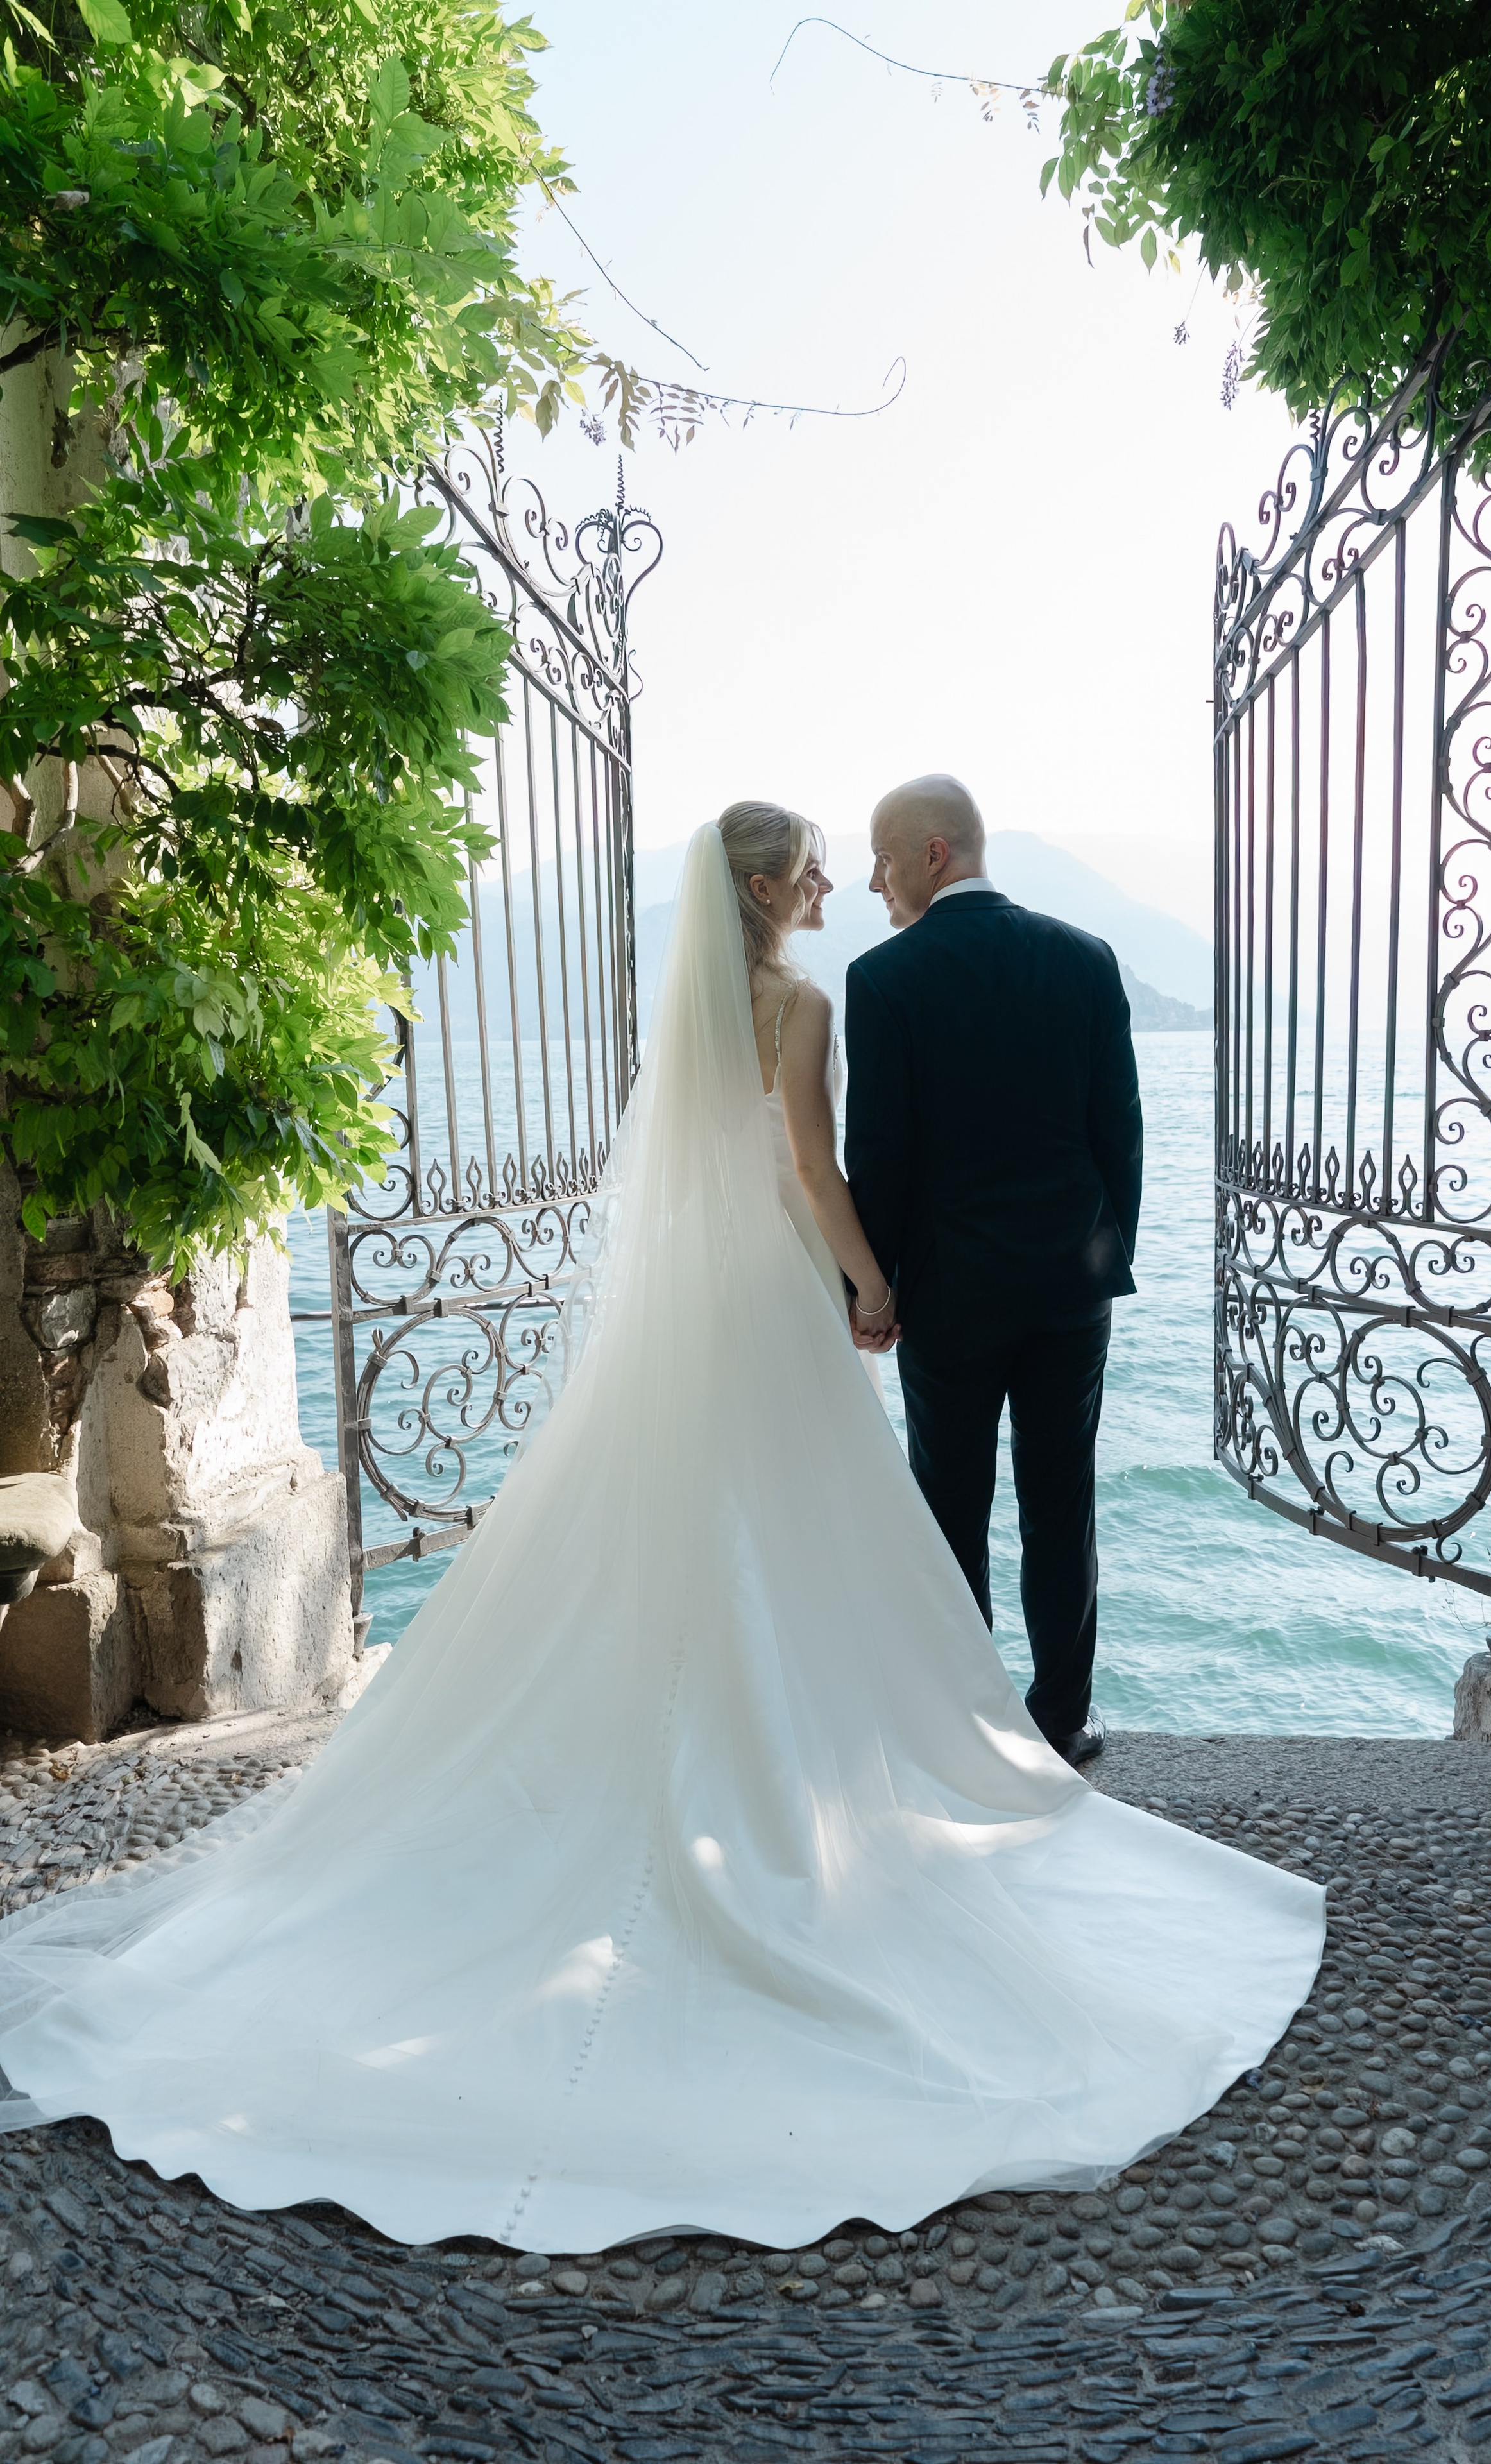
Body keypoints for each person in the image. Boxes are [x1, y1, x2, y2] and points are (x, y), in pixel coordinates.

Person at [0, 810, 1322, 2256]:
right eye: (812, 867)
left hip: (692, 1311)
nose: (834, 884)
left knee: (694, 1532)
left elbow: (718, 1168)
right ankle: (847, 1770)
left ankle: (685, 1756)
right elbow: (818, 1175)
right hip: (789, 1305)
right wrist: (870, 1289)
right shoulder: (809, 1002)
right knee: (816, 1538)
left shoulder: (696, 1007)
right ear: (764, 891)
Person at [846, 776, 1142, 1767]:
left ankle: (965, 1723)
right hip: (1070, 1291)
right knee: (1063, 1504)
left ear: (934, 855)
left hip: (949, 1297)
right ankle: (1062, 1719)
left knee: (949, 1509)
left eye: (883, 859)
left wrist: (873, 1291)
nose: (871, 880)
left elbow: (879, 1157)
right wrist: (1107, 1259)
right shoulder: (1087, 960)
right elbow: (1121, 1139)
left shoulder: (884, 980)